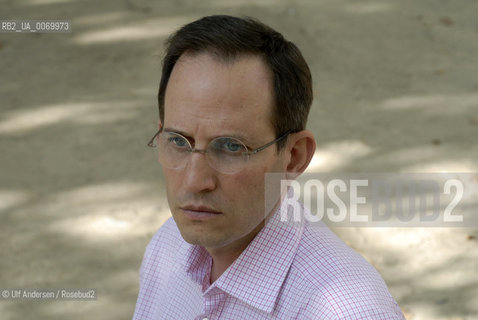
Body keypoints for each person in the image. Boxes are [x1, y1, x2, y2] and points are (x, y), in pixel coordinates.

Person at [133, 15, 405, 320]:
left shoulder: (346, 311)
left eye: (231, 147)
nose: (195, 181)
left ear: (293, 157)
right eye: (179, 141)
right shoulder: (168, 245)